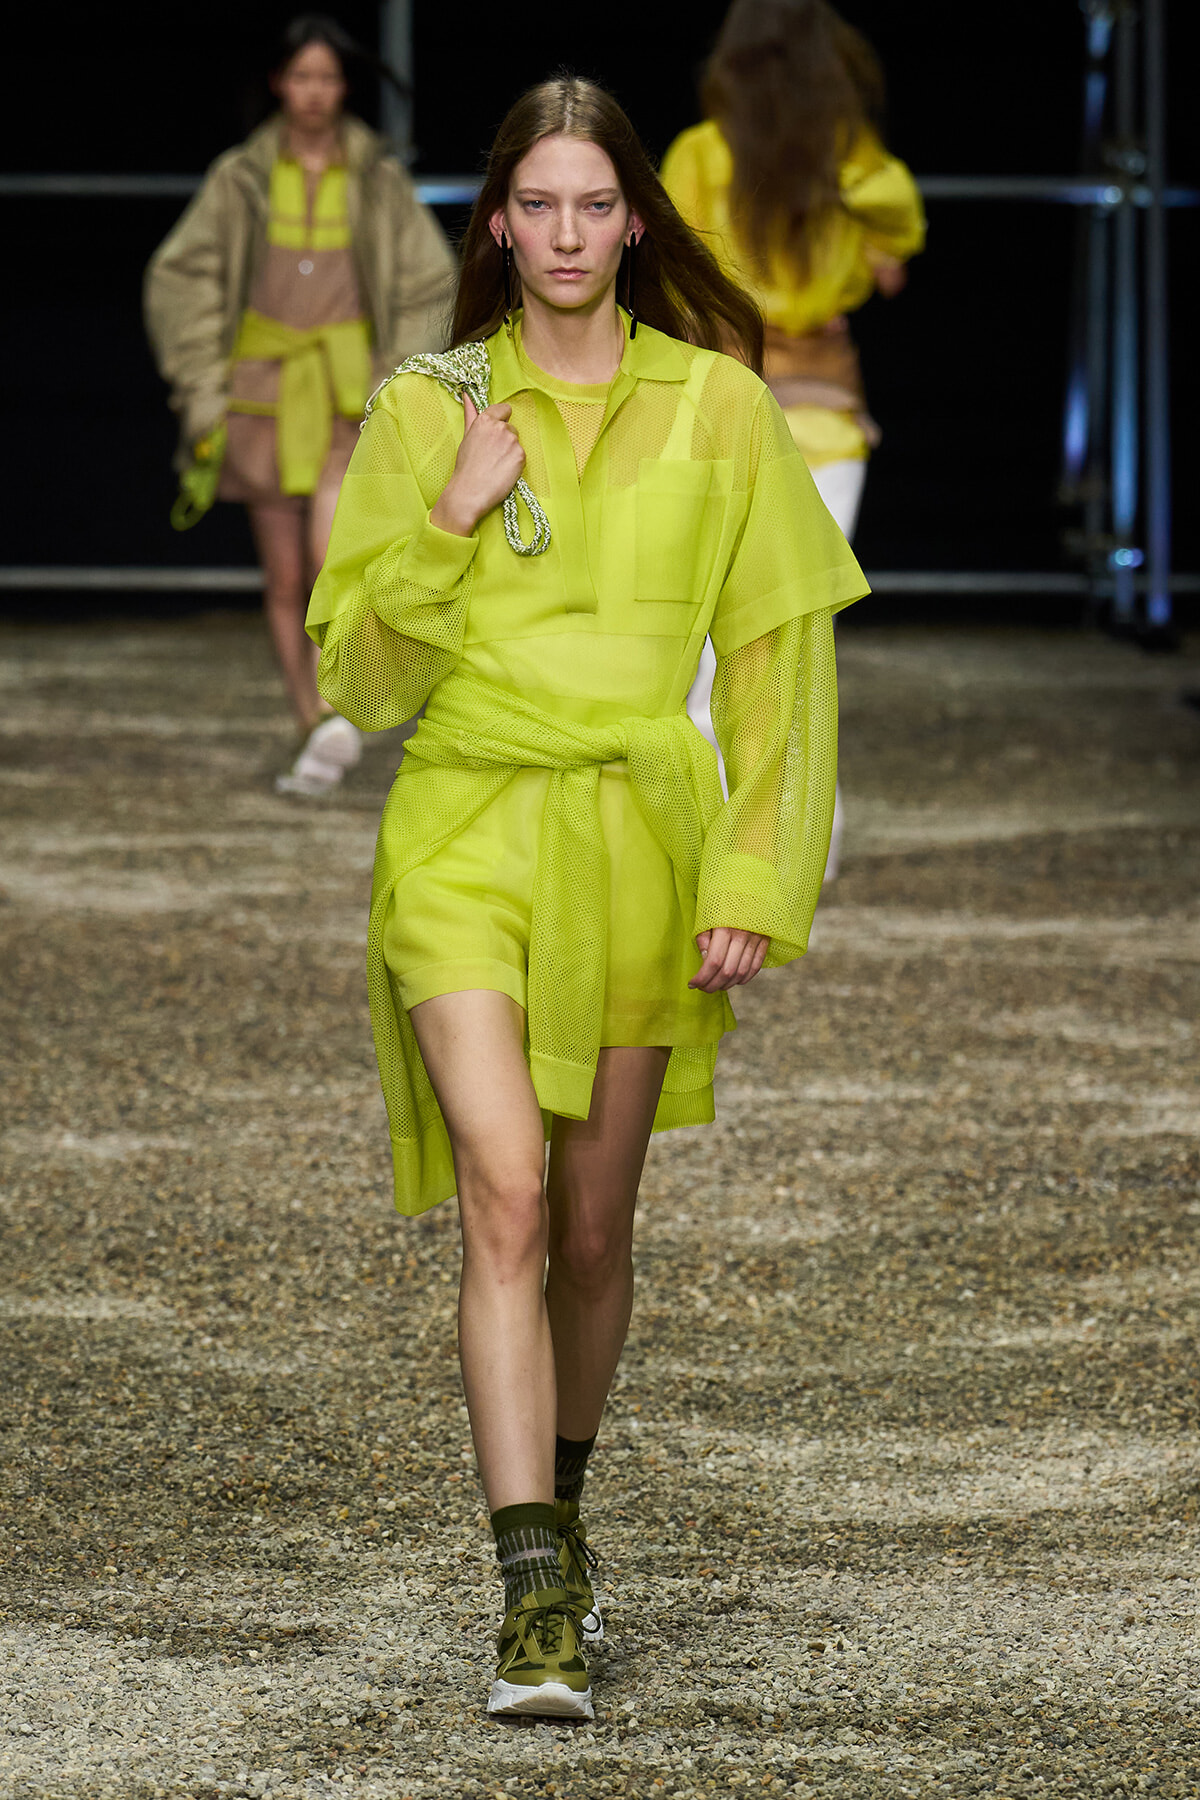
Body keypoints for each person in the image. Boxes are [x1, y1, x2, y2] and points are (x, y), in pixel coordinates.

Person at [306, 75, 867, 1719]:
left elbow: (778, 669)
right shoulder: (428, 407)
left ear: (636, 219)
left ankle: (557, 1497)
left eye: (592, 205)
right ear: (498, 222)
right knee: (509, 1195)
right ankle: (532, 1588)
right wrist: (450, 516)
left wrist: (756, 866)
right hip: (464, 825)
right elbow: (360, 669)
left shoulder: (720, 405)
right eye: (534, 205)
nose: (563, 233)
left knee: (600, 1231)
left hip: (639, 838)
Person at [144, 14, 454, 795]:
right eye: (302, 77)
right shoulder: (238, 178)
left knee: (330, 559)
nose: (315, 93)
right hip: (261, 394)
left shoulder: (377, 178)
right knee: (283, 574)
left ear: (345, 86)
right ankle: (313, 721)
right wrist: (203, 392)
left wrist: (401, 379)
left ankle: (336, 708)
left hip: (350, 394)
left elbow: (429, 282)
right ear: (280, 83)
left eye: (329, 78)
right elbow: (180, 278)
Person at [661, 0, 924, 869]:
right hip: (821, 414)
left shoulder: (704, 152)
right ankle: (808, 832)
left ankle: (720, 834)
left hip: (722, 408)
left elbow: (672, 274)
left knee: (704, 636)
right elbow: (901, 238)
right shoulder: (849, 158)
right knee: (797, 629)